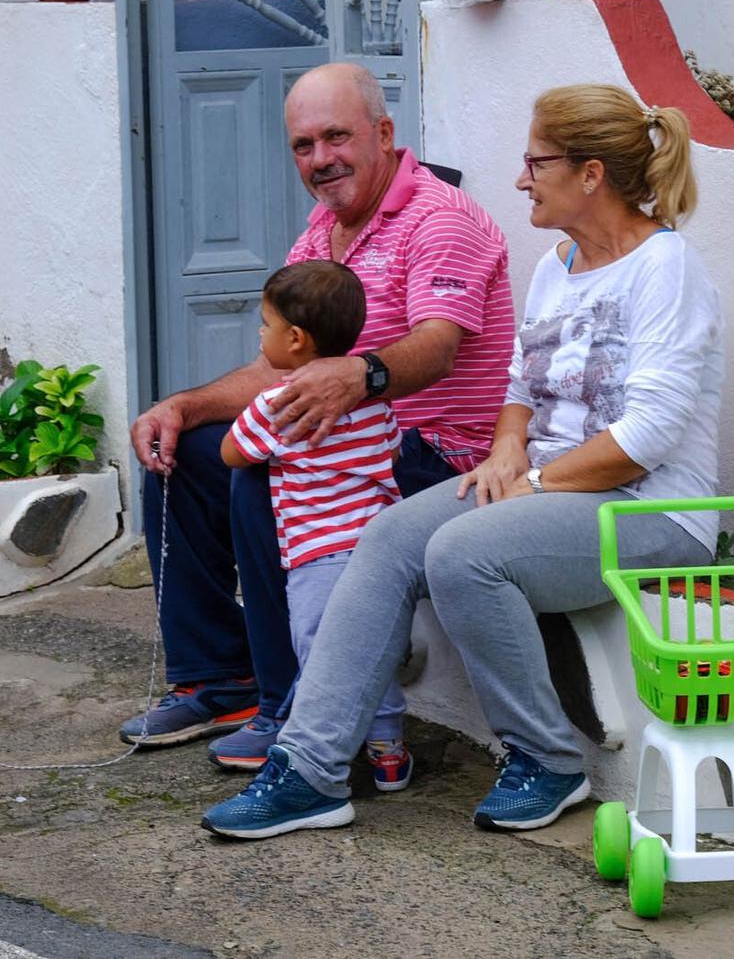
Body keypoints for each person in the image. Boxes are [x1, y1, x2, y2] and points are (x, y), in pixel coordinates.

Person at [200, 84, 725, 840]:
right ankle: (310, 770)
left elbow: (648, 439)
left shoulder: (666, 270)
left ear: (590, 175)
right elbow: (522, 385)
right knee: (387, 536)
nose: (520, 179)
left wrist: (532, 481)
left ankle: (547, 759)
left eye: (535, 162)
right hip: (552, 490)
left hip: (652, 510)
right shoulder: (560, 263)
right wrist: (510, 448)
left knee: (462, 553)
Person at [122, 63, 513, 772]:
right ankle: (220, 677)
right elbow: (279, 367)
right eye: (304, 145)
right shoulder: (320, 235)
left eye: (337, 137)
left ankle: (290, 704)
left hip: (441, 457)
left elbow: (439, 346)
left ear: (384, 133)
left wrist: (359, 373)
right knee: (180, 457)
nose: (321, 159)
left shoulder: (440, 219)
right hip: (353, 449)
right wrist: (181, 406)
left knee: (262, 473)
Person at [220, 260, 413, 792]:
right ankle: (388, 752)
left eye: (265, 325)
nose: (260, 335)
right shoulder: (372, 400)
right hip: (376, 546)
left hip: (316, 554)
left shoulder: (277, 404)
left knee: (322, 653)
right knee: (372, 649)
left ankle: (316, 750)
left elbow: (232, 453)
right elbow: (393, 445)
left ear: (297, 339)